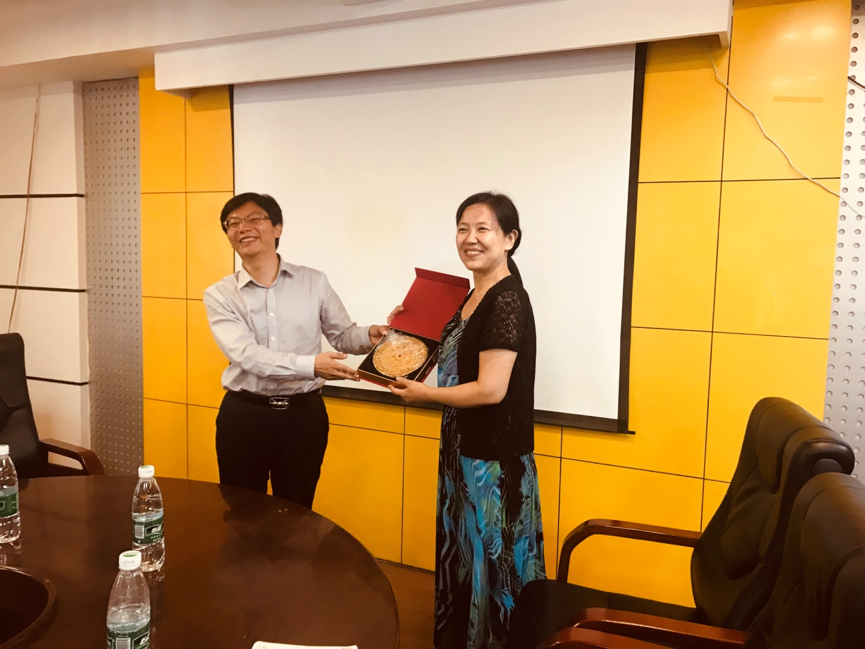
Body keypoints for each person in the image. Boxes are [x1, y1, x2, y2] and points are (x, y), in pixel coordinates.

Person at [389, 192, 545, 649]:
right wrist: (400, 332)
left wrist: (426, 395)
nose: (470, 238)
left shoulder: (507, 299)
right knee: (466, 556)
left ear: (509, 238)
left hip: (493, 463)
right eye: (462, 228)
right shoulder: (473, 295)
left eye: (483, 229)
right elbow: (450, 357)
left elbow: (491, 389)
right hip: (463, 451)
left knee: (495, 568)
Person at [204, 192, 392, 509]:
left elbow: (342, 335)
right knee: (241, 512)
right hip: (245, 416)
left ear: (277, 227)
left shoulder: (313, 282)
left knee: (297, 511)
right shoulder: (220, 295)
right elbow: (246, 355)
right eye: (232, 223)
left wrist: (369, 335)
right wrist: (310, 365)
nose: (242, 227)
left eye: (254, 218)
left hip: (303, 415)